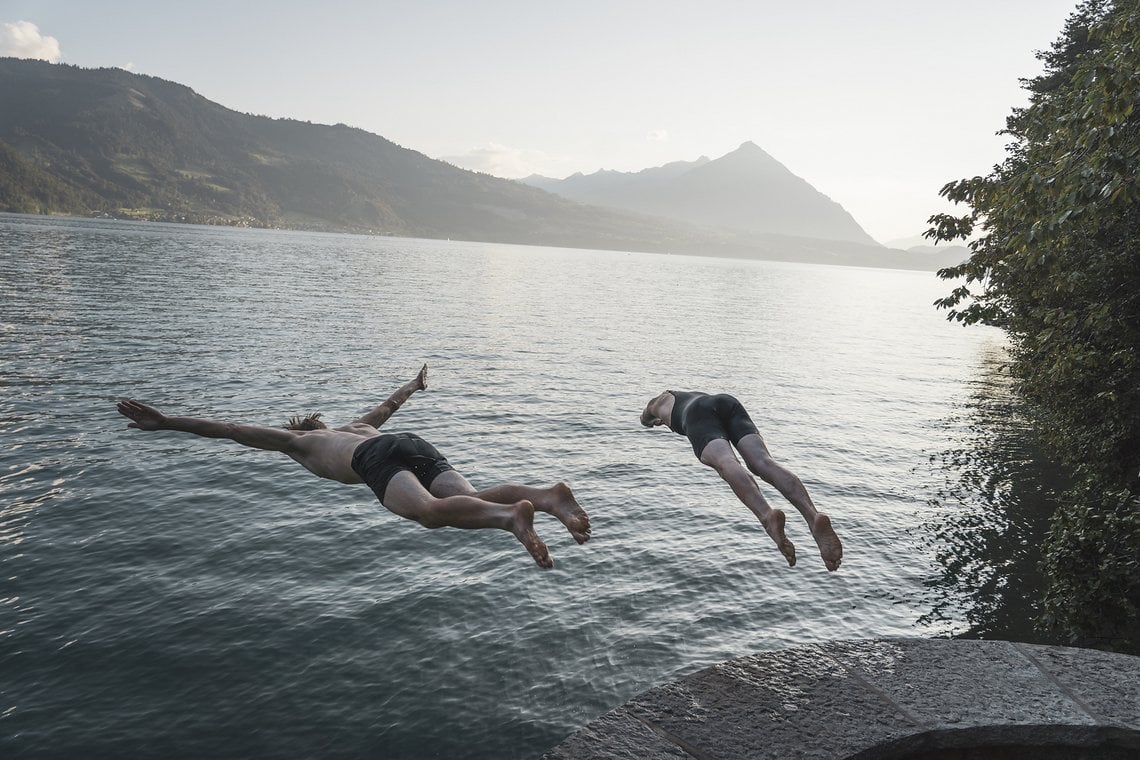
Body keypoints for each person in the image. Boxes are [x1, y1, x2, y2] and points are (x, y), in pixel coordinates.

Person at [116, 365, 590, 569]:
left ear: (301, 429)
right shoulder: (358, 424)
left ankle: (512, 519)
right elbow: (390, 403)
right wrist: (414, 385)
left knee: (427, 512)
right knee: (465, 500)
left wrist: (168, 423)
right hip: (406, 442)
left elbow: (231, 429)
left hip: (373, 459)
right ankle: (547, 497)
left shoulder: (298, 442)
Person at [640, 390, 842, 571]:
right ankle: (812, 516)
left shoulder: (656, 404)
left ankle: (767, 515)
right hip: (726, 402)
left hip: (696, 416)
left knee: (726, 463)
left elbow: (645, 419)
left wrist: (652, 421)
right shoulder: (687, 395)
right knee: (763, 462)